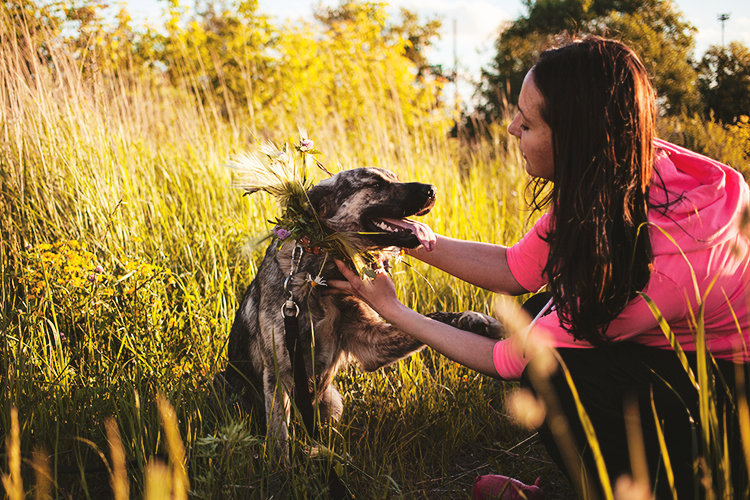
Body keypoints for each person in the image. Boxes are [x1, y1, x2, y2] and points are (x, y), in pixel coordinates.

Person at [328, 36, 750, 499]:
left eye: (526, 124)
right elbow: (516, 268)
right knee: (536, 312)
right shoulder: (624, 168)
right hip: (686, 360)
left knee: (550, 370)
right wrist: (406, 237)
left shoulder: (662, 259)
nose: (511, 129)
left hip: (726, 406)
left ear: (572, 136)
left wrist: (394, 311)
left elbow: (506, 361)